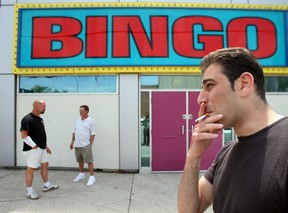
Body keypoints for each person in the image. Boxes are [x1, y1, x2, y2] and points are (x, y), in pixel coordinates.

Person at [178, 47, 288, 212]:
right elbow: (189, 210)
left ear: (243, 84)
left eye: (210, 85)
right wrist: (193, 157)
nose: (200, 98)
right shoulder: (226, 153)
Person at [20, 100, 59, 200]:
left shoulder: (40, 119)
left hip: (42, 148)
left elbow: (40, 134)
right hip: (32, 149)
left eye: (45, 106)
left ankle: (46, 185)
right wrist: (34, 146)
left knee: (45, 165)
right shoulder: (27, 119)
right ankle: (29, 191)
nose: (45, 108)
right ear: (36, 106)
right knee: (31, 169)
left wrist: (45, 145)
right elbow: (24, 135)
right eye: (43, 106)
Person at [70, 105, 96, 186]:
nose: (80, 112)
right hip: (77, 144)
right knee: (80, 160)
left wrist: (90, 144)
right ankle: (81, 174)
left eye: (82, 110)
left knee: (89, 161)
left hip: (86, 145)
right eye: (79, 111)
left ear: (87, 111)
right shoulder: (78, 120)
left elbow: (93, 134)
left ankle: (92, 177)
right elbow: (74, 131)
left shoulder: (91, 121)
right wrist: (72, 142)